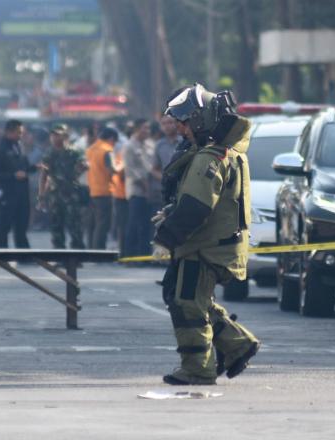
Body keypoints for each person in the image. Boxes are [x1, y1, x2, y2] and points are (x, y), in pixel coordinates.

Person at [153, 84, 260, 386]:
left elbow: (196, 207)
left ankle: (198, 368)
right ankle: (238, 345)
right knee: (192, 300)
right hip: (214, 245)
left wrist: (167, 237)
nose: (183, 129)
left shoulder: (209, 157)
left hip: (204, 247)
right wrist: (171, 215)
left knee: (188, 303)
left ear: (200, 120)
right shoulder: (227, 153)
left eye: (186, 122)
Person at [38, 124, 87, 249]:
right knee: (56, 226)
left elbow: (85, 165)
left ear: (65, 136)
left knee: (75, 225)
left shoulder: (74, 152)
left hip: (71, 193)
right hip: (55, 194)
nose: (55, 138)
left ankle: (77, 256)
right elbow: (43, 175)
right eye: (53, 135)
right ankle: (59, 255)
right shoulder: (49, 154)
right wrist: (41, 196)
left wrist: (78, 170)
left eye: (58, 135)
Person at [0, 119, 34, 248]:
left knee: (21, 224)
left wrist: (34, 168)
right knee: (4, 225)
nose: (21, 135)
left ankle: (23, 253)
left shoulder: (19, 147)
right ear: (9, 132)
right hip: (8, 193)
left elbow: (24, 167)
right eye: (19, 132)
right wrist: (13, 176)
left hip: (22, 193)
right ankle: (1, 254)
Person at [123, 119, 154, 257]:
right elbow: (130, 171)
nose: (147, 131)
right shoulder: (129, 146)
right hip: (137, 191)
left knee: (147, 225)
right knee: (134, 224)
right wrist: (145, 186)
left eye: (148, 128)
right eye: (144, 128)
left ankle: (144, 254)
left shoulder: (149, 144)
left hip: (150, 191)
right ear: (136, 129)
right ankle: (130, 255)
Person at [85, 127, 120, 249]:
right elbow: (112, 170)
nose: (114, 144)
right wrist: (121, 165)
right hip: (105, 190)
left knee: (93, 223)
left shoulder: (90, 149)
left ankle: (91, 248)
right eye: (114, 142)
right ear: (111, 139)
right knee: (103, 224)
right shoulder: (107, 151)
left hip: (92, 189)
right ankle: (99, 250)